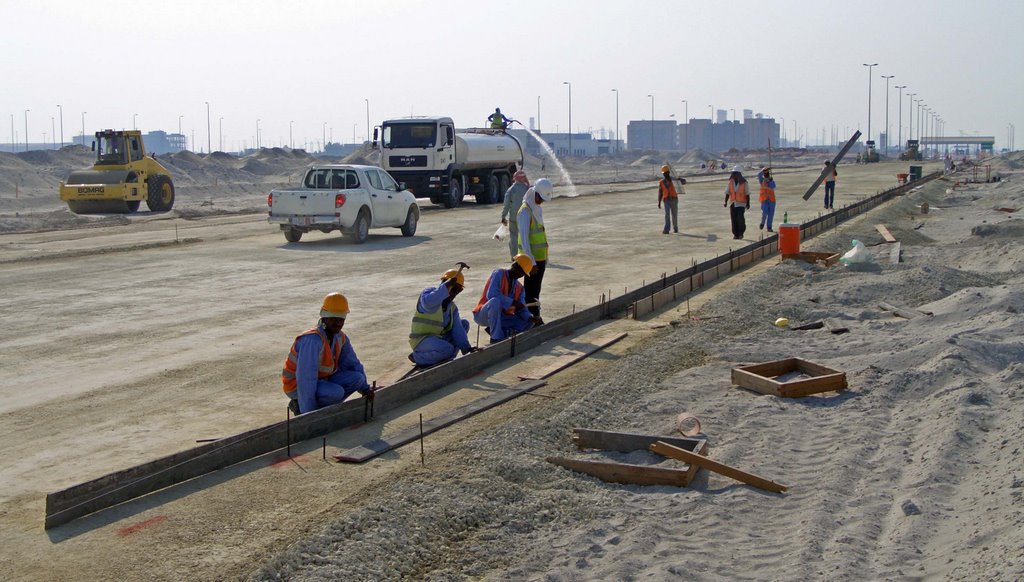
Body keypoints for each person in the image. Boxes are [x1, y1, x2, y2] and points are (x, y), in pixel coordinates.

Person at [282, 293, 370, 415]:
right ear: (325, 318)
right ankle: (300, 405)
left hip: (322, 381)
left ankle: (325, 407)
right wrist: (308, 415)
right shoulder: (312, 340)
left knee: (357, 379)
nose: (338, 323)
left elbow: (353, 364)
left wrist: (366, 390)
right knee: (336, 393)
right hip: (297, 387)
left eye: (341, 320)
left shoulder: (340, 337)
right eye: (334, 319)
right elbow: (306, 380)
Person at [409, 265, 475, 367]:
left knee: (464, 324)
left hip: (437, 339)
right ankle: (417, 357)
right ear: (444, 284)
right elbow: (428, 303)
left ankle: (446, 357)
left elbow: (458, 330)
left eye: (457, 291)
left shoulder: (452, 308)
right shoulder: (428, 294)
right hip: (421, 340)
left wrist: (468, 348)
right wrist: (445, 287)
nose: (454, 294)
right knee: (447, 349)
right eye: (453, 290)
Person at [472, 254, 537, 343]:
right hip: (484, 315)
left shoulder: (520, 288)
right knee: (494, 301)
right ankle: (495, 338)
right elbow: (491, 294)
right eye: (520, 271)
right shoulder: (499, 273)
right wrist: (513, 302)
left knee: (528, 323)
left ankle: (503, 333)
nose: (520, 275)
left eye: (523, 274)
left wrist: (530, 317)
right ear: (515, 266)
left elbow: (522, 309)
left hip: (502, 317)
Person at [517, 177, 553, 323]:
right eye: (541, 198)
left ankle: (534, 316)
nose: (542, 201)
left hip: (539, 259)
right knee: (530, 292)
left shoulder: (536, 208)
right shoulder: (525, 211)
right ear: (535, 193)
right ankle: (531, 318)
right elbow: (525, 240)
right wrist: (531, 262)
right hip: (530, 261)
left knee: (535, 290)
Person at [501, 170, 530, 259]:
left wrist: (503, 216)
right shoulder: (527, 189)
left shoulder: (511, 190)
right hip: (526, 217)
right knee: (525, 236)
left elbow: (506, 205)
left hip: (514, 217)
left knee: (513, 237)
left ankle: (514, 256)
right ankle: (526, 256)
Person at [723, 166, 750, 240]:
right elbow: (727, 193)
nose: (734, 175)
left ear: (739, 174)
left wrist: (748, 203)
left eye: (735, 173)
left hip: (741, 204)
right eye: (733, 173)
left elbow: (747, 193)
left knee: (740, 219)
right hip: (733, 203)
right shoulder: (730, 182)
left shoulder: (744, 182)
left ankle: (741, 233)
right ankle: (736, 234)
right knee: (734, 219)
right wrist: (725, 202)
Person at [657, 165, 680, 234]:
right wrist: (659, 202)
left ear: (669, 172)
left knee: (674, 214)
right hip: (666, 200)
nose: (665, 174)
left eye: (666, 173)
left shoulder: (674, 180)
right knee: (667, 215)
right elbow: (660, 192)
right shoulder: (661, 182)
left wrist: (681, 180)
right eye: (664, 173)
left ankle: (675, 228)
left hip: (674, 199)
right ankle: (666, 229)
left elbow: (682, 183)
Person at [757, 166, 777, 232]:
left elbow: (773, 186)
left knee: (771, 214)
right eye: (765, 174)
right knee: (764, 213)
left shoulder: (772, 181)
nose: (766, 175)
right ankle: (762, 223)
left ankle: (769, 227)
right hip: (764, 200)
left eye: (767, 173)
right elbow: (758, 175)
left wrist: (770, 181)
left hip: (771, 200)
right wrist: (764, 170)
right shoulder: (762, 180)